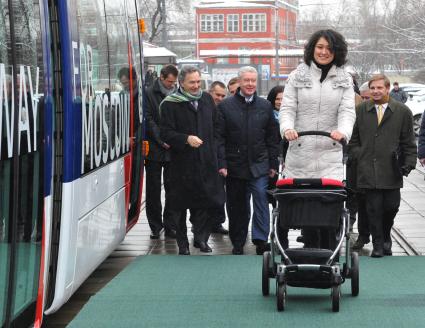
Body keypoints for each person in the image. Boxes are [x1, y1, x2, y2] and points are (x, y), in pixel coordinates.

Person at [279, 29, 356, 250]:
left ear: (337, 52)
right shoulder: (297, 76)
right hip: (300, 152)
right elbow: (288, 107)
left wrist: (343, 132)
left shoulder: (344, 80)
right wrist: (287, 128)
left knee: (328, 209)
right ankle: (308, 253)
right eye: (320, 47)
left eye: (329, 49)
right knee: (305, 209)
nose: (323, 52)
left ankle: (328, 255)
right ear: (312, 48)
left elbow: (347, 111)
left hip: (329, 153)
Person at [349, 74, 417, 257]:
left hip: (392, 169)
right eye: (373, 88)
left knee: (391, 207)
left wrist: (409, 163)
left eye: (380, 88)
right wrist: (359, 155)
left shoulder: (402, 111)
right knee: (373, 209)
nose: (376, 91)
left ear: (387, 89)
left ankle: (386, 234)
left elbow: (409, 142)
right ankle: (378, 244)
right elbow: (353, 141)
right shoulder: (361, 110)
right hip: (367, 169)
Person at [160, 65, 224, 255]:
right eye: (192, 82)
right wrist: (185, 139)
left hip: (205, 161)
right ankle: (182, 243)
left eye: (198, 82)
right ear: (181, 83)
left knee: (204, 203)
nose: (196, 86)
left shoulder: (206, 99)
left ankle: (201, 239)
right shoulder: (170, 103)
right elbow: (165, 133)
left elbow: (216, 126)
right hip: (182, 164)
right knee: (180, 206)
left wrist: (215, 153)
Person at [216, 66, 279, 255]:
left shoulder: (265, 106)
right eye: (246, 80)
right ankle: (238, 241)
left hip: (260, 164)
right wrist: (222, 163)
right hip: (235, 166)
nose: (250, 84)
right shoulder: (225, 106)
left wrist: (273, 165)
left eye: (253, 80)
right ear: (240, 82)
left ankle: (260, 240)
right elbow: (219, 138)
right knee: (237, 205)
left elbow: (272, 138)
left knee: (261, 199)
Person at [145, 64, 179, 239]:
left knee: (173, 189)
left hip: (174, 149)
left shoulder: (178, 93)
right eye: (168, 82)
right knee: (153, 190)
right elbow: (149, 120)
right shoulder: (150, 93)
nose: (171, 85)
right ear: (161, 77)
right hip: (155, 149)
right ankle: (155, 226)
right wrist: (162, 139)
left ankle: (170, 225)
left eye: (174, 82)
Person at [207, 81, 229, 235]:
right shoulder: (202, 106)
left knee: (219, 191)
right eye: (217, 95)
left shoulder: (224, 109)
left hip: (219, 155)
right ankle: (200, 223)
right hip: (203, 155)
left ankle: (217, 222)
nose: (220, 98)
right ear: (210, 92)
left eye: (223, 95)